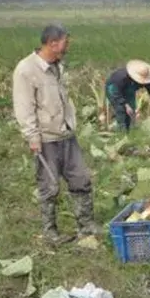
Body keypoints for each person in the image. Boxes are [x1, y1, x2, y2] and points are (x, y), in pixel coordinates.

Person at [12, 23, 101, 245]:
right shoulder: (26, 70)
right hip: (45, 138)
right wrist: (32, 136)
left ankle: (86, 224)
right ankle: (50, 233)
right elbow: (24, 107)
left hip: (66, 135)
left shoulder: (57, 66)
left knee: (81, 179)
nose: (67, 46)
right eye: (65, 42)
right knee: (49, 186)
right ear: (52, 43)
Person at [105, 60, 150, 131]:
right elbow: (115, 92)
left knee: (131, 111)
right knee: (121, 110)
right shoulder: (121, 77)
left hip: (128, 91)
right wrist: (125, 104)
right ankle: (121, 133)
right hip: (114, 90)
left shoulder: (145, 76)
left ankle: (129, 130)